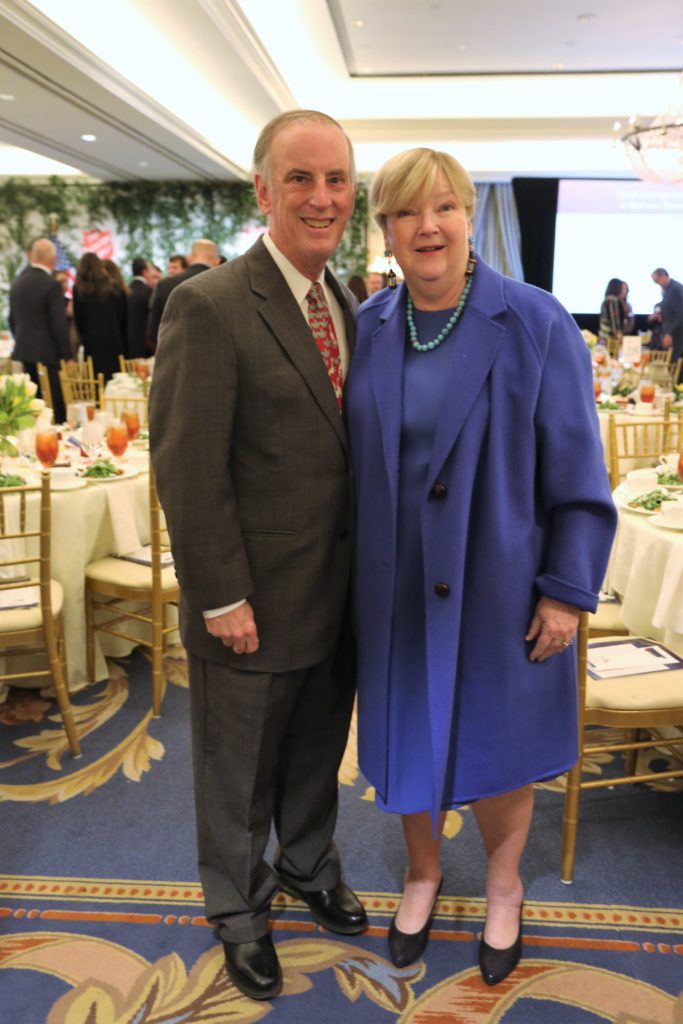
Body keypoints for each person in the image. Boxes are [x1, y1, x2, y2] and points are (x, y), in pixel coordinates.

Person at [345, 148, 617, 986]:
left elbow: (578, 472)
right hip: (395, 584)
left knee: (497, 742)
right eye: (402, 213)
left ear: (470, 216)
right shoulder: (373, 324)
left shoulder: (534, 321)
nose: (425, 227)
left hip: (500, 580)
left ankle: (504, 886)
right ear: (385, 230)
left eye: (442, 208)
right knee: (407, 738)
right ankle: (422, 875)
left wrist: (565, 593)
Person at [149, 109, 367, 1002]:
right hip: (249, 601)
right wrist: (218, 597)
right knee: (238, 774)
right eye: (302, 180)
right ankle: (238, 911)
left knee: (316, 752)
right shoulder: (208, 303)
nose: (321, 198)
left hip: (336, 591)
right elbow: (187, 468)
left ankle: (308, 864)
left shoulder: (348, 302)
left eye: (337, 181)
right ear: (263, 190)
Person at [9, 238, 73, 423]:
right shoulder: (51, 284)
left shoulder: (18, 282)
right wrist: (67, 356)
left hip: (24, 351)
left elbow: (12, 319)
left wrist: (22, 339)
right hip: (47, 354)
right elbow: (58, 323)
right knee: (53, 404)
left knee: (31, 405)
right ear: (52, 260)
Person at [148, 240, 220, 350]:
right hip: (216, 354)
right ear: (217, 261)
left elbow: (154, 332)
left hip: (175, 355)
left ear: (189, 258)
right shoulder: (225, 284)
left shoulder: (165, 284)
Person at [72, 252, 127, 381]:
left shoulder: (79, 289)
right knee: (115, 380)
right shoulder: (114, 286)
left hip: (92, 342)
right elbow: (123, 317)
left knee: (96, 380)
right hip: (114, 340)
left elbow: (78, 320)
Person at [651, 267, 683, 363]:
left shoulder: (675, 289)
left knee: (674, 367)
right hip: (671, 334)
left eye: (657, 280)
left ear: (663, 276)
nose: (657, 283)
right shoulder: (667, 290)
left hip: (677, 337)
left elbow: (681, 314)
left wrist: (670, 334)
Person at [127, 257, 155, 358]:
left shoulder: (125, 291)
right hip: (145, 344)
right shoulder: (149, 291)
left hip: (127, 343)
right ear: (145, 272)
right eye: (150, 269)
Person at [598, 278, 627, 353]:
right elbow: (614, 320)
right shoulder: (612, 300)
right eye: (622, 287)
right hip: (610, 339)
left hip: (605, 338)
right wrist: (619, 335)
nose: (624, 290)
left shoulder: (607, 299)